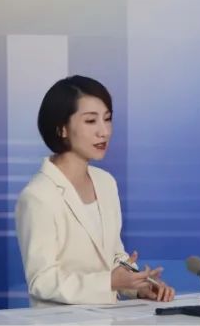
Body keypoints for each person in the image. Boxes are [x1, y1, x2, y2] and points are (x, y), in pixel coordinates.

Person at [15, 75, 175, 307]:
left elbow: (114, 256)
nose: (104, 132)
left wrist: (139, 285)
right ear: (62, 129)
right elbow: (42, 281)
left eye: (107, 119)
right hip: (59, 325)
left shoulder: (105, 182)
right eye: (91, 121)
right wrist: (108, 282)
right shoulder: (38, 196)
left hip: (108, 322)